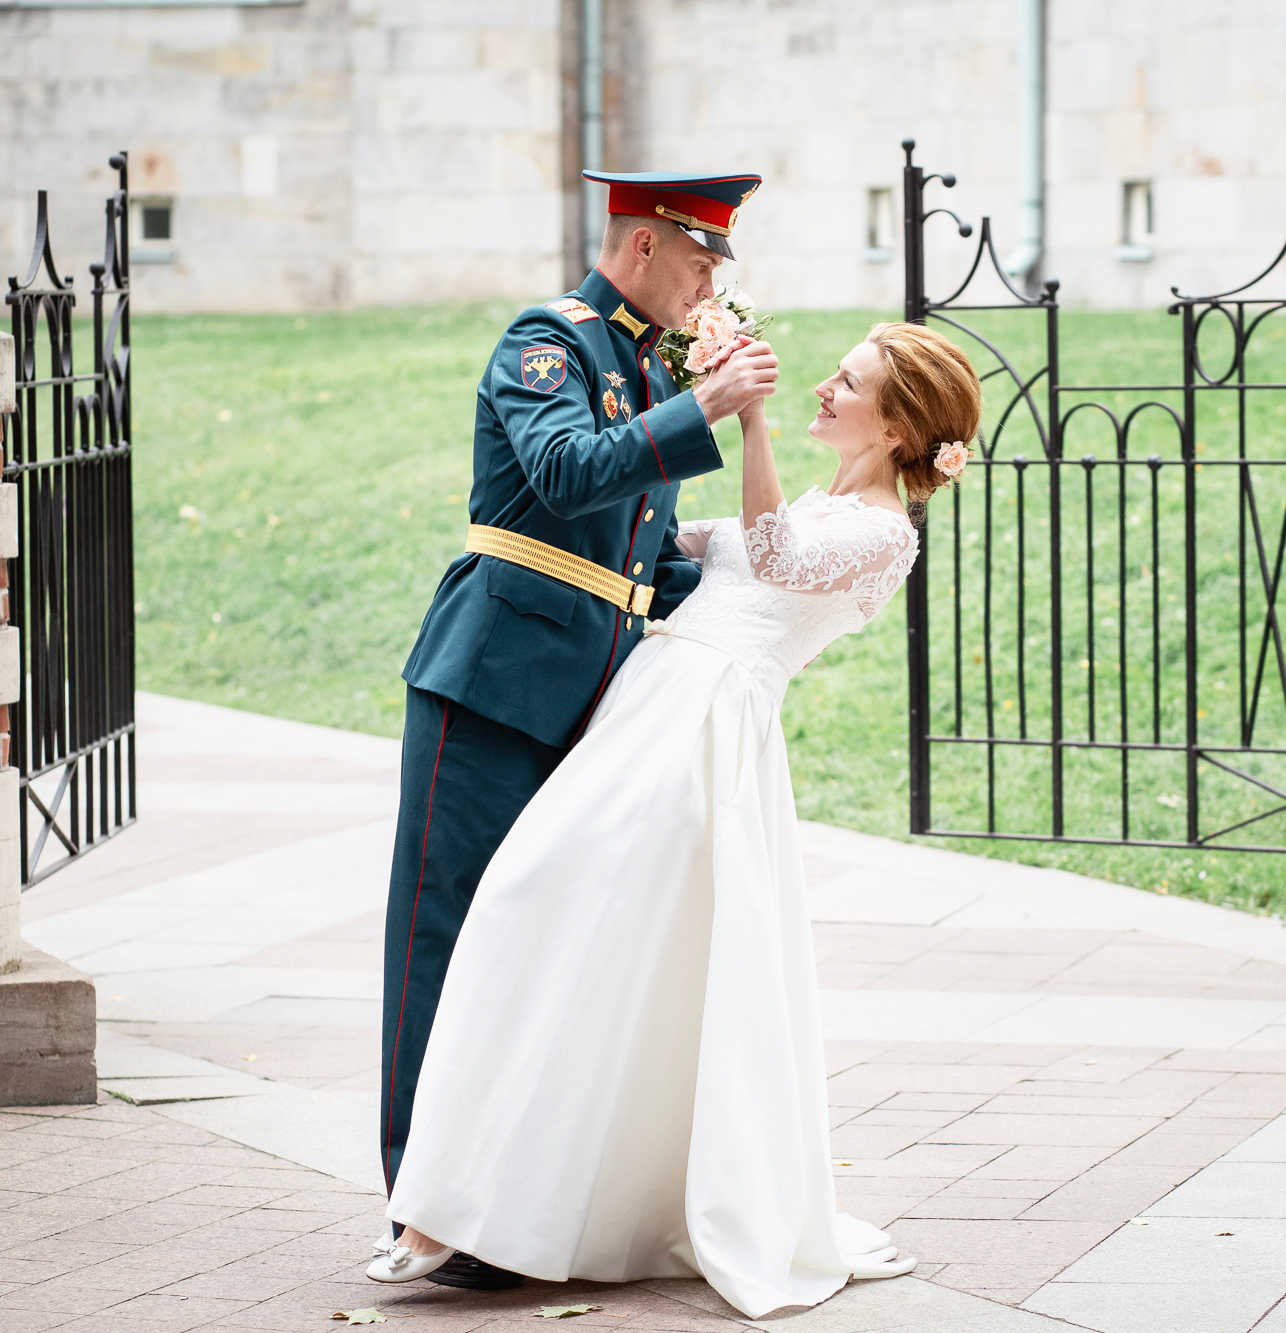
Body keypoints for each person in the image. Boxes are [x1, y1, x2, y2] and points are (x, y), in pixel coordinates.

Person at [370, 323, 984, 1317]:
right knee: (555, 930)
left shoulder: (882, 533)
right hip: (646, 708)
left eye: (848, 382)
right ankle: (462, 1202)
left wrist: (743, 420)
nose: (825, 387)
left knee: (550, 914)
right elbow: (667, 543)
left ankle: (465, 1208)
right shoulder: (827, 499)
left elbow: (773, 555)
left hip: (704, 736)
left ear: (899, 423)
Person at [379, 169, 778, 1290]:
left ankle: (499, 1199)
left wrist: (753, 620)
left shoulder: (647, 367)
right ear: (642, 245)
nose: (710, 284)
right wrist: (702, 405)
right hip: (494, 681)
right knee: (444, 936)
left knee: (541, 948)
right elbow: (560, 477)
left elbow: (646, 560)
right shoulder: (546, 342)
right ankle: (420, 1199)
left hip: (597, 699)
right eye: (700, 261)